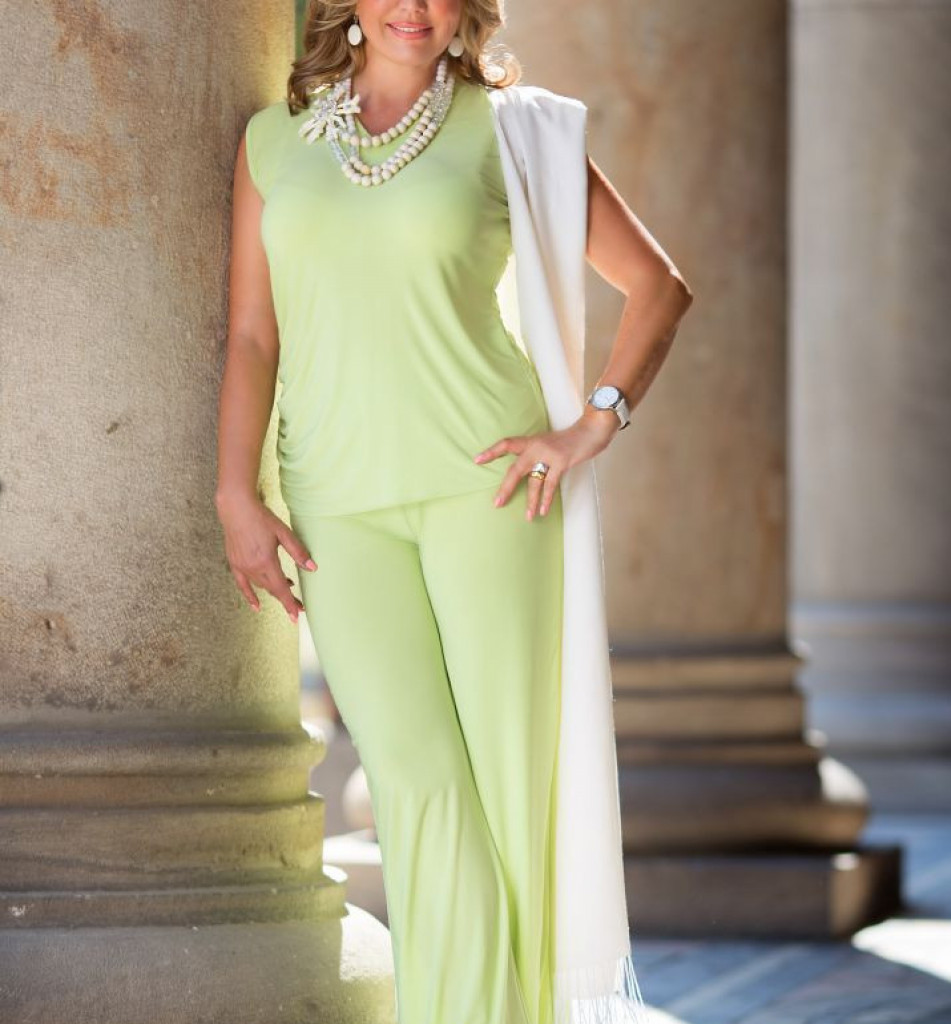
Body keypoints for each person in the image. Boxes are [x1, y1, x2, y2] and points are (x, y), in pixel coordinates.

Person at [216, 1, 693, 1022]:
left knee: (511, 787)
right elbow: (252, 333)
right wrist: (234, 492)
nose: (414, 6)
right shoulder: (273, 142)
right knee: (415, 782)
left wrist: (593, 424)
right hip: (335, 505)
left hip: (491, 490)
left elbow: (657, 286)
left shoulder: (509, 131)